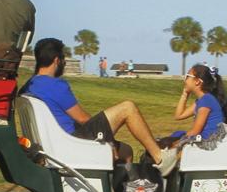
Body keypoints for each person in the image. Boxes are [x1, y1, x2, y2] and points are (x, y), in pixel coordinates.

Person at [21, 38, 173, 171]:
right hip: (72, 143)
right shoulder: (55, 85)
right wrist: (107, 140)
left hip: (54, 145)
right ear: (56, 60)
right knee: (128, 108)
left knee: (126, 151)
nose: (65, 62)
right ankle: (160, 158)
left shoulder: (29, 86)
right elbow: (83, 119)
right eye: (63, 58)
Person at [157, 64, 227, 160]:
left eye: (188, 76)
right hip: (201, 138)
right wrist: (185, 94)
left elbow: (195, 131)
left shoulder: (206, 100)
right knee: (171, 139)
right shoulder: (202, 100)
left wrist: (175, 145)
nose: (184, 79)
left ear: (197, 82)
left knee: (166, 146)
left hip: (206, 142)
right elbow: (179, 116)